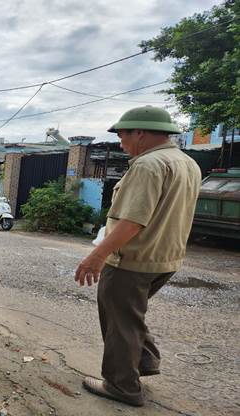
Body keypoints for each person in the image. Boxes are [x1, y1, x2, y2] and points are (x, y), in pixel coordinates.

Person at [74, 106, 201, 406]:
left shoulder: (147, 165)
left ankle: (122, 386)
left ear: (140, 133)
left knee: (120, 320)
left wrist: (97, 255)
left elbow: (132, 221)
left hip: (133, 259)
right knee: (130, 314)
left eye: (122, 135)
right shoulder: (187, 163)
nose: (120, 142)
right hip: (165, 258)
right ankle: (144, 362)